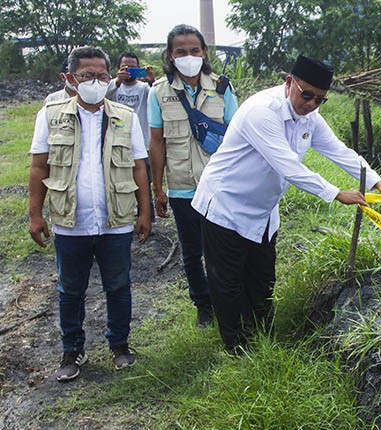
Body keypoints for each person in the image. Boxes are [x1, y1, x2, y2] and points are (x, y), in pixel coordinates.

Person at [192, 54, 381, 353]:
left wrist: (377, 182)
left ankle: (262, 340)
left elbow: (339, 151)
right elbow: (288, 166)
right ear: (289, 82)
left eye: (320, 100)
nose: (312, 104)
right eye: (307, 95)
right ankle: (236, 350)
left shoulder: (309, 116)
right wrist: (337, 193)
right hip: (226, 205)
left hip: (262, 211)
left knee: (262, 281)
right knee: (228, 283)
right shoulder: (261, 112)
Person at [28, 46, 151, 382]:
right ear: (71, 79)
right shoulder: (51, 115)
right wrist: (35, 214)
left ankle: (120, 345)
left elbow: (140, 167)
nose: (95, 82)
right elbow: (39, 167)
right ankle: (72, 351)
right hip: (70, 221)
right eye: (87, 76)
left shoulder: (124, 117)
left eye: (101, 76)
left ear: (109, 77)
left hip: (116, 219)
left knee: (119, 285)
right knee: (70, 289)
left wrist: (145, 212)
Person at [148, 24, 238, 326]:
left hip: (218, 187)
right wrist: (157, 188)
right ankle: (203, 306)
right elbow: (157, 141)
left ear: (204, 53)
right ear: (170, 56)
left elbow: (237, 138)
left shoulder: (222, 88)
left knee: (221, 248)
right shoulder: (158, 92)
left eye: (194, 50)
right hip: (182, 187)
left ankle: (225, 300)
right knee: (191, 251)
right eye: (181, 51)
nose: (189, 56)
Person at [107, 51, 155, 221]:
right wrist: (117, 81)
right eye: (125, 67)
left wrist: (152, 81)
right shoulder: (112, 88)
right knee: (117, 182)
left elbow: (156, 101)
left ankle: (147, 217)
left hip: (143, 143)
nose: (129, 71)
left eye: (133, 68)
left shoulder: (144, 89)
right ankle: (120, 216)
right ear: (118, 69)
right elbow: (102, 99)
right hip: (117, 143)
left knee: (143, 184)